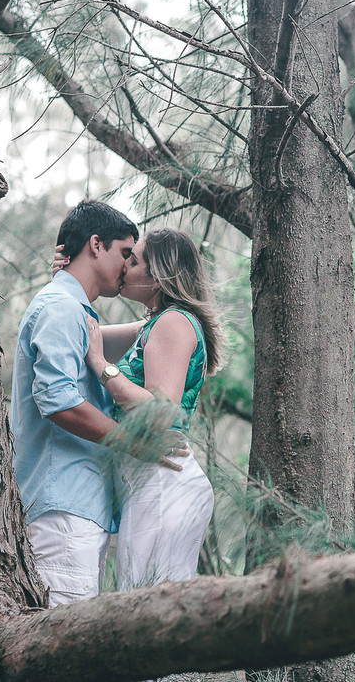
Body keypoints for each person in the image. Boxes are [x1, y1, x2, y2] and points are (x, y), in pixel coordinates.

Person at [10, 201, 186, 606]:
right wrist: (135, 442)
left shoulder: (72, 310)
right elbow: (59, 402)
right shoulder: (61, 309)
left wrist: (175, 305)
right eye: (126, 253)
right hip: (63, 509)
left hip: (73, 508)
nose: (128, 266)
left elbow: (144, 332)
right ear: (96, 245)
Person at [73, 228, 223, 589]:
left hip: (164, 482)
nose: (126, 265)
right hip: (152, 480)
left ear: (159, 278)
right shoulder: (155, 324)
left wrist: (101, 366)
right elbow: (81, 331)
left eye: (134, 260)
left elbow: (162, 411)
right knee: (142, 604)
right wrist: (70, 277)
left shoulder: (174, 322)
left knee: (146, 609)